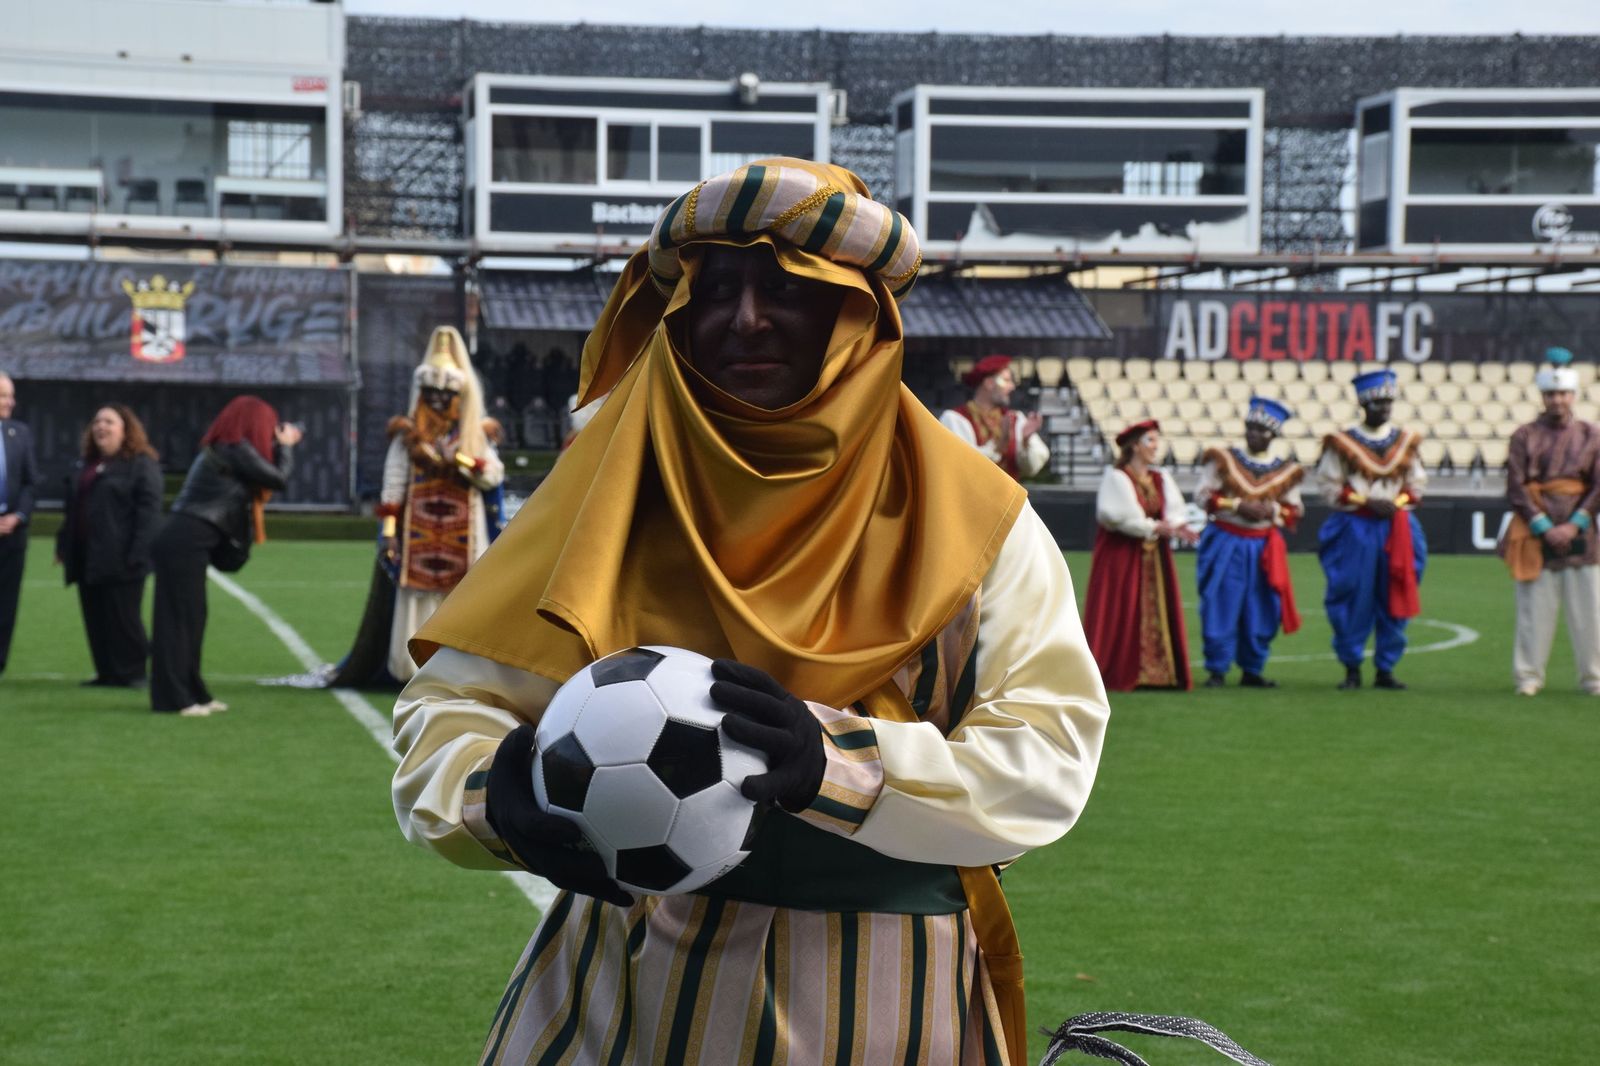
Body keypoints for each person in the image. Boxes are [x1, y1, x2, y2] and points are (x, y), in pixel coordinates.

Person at [390, 158, 1109, 1066]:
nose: (745, 318)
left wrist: (843, 766)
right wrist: (496, 788)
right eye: (717, 289)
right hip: (625, 998)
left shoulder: (983, 521)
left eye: (787, 289)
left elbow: (1049, 755)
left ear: (860, 317)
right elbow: (448, 705)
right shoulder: (609, 491)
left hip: (885, 999)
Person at [329, 326, 504, 686]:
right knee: (415, 600)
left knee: (462, 598)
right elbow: (393, 485)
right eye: (432, 393)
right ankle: (410, 669)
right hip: (417, 534)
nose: (438, 400)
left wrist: (462, 461)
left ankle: (460, 671)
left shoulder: (473, 435)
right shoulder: (408, 435)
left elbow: (492, 475)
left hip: (465, 535)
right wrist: (389, 534)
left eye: (445, 394)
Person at [150, 396, 301, 716]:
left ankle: (195, 693)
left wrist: (278, 446)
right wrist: (286, 446)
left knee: (193, 619)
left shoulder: (229, 449)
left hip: (186, 540)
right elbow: (278, 478)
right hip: (184, 541)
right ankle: (173, 699)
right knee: (178, 622)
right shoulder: (235, 448)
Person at [1315, 368, 1427, 690]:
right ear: (1364, 405)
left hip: (1397, 526)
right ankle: (1351, 666)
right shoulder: (1342, 443)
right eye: (1378, 403)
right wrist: (1366, 502)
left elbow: (1416, 485)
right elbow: (1329, 486)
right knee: (1351, 593)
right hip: (1355, 527)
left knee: (1396, 591)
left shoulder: (1405, 441)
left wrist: (1396, 502)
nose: (1384, 409)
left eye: (1388, 403)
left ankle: (1385, 668)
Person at [1498, 348, 1600, 696]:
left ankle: (1593, 678)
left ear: (1573, 395)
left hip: (1582, 532)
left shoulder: (1592, 434)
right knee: (1533, 612)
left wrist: (1573, 525)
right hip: (1534, 532)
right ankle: (1528, 677)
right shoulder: (1524, 435)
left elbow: (1598, 486)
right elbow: (1516, 487)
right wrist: (1544, 526)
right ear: (1542, 396)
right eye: (1551, 393)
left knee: (1590, 612)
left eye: (1563, 393)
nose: (1557, 400)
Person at [1194, 397, 1305, 688]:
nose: (1254, 434)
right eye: (1250, 428)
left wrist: (1272, 511)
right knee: (1221, 602)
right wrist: (1237, 505)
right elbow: (1203, 496)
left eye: (1261, 430)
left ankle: (1252, 668)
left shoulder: (1285, 470)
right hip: (1226, 539)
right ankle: (1217, 668)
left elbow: (1294, 509)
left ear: (1273, 434)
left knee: (1261, 606)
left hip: (1263, 545)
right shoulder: (1224, 460)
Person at [1083, 419, 1199, 692]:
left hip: (1153, 555)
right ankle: (1122, 668)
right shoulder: (1117, 477)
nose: (1155, 446)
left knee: (1154, 605)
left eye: (1156, 440)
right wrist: (1155, 527)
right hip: (1121, 556)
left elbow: (1174, 510)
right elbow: (1116, 516)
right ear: (1135, 446)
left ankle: (1158, 672)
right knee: (1121, 606)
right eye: (1150, 440)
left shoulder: (1159, 478)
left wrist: (1175, 525)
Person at [54, 405, 164, 687]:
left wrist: (139, 553)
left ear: (126, 430)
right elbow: (73, 508)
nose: (100, 427)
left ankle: (133, 673)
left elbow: (149, 513)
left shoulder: (141, 464)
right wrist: (63, 545)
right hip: (87, 555)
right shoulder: (87, 464)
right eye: (97, 422)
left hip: (122, 556)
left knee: (123, 617)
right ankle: (106, 672)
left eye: (109, 422)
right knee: (95, 616)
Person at [939, 354, 1050, 480]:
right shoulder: (955, 419)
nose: (1012, 387)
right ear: (989, 383)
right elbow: (962, 464)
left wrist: (1026, 441)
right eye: (1006, 380)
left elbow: (1033, 468)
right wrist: (998, 447)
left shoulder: (1016, 419)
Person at [0, 371, 40, 679]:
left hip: (12, 536)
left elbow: (30, 482)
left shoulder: (20, 433)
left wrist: (18, 516)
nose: (10, 402)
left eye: (11, 395)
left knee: (6, 603)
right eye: (3, 395)